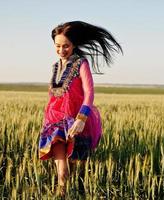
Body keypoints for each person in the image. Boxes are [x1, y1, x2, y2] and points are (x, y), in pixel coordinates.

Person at [38, 21, 123, 197]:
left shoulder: (81, 63)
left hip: (76, 122)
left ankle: (79, 194)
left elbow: (89, 93)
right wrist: (46, 122)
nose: (61, 50)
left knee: (79, 172)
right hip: (55, 123)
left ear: (74, 44)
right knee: (62, 171)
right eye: (58, 46)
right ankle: (61, 195)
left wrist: (81, 119)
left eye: (66, 46)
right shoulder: (55, 67)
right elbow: (53, 97)